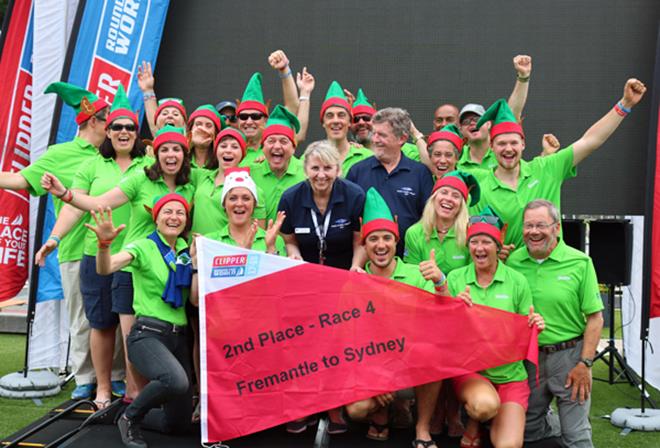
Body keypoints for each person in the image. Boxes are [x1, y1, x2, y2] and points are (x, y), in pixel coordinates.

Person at [35, 85, 152, 406]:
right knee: (99, 323)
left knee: (132, 328)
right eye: (117, 126)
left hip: (136, 259)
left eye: (130, 126)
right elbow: (76, 206)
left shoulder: (149, 164)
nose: (124, 131)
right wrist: (53, 239)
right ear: (107, 131)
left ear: (136, 132)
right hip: (95, 254)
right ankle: (100, 387)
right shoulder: (91, 167)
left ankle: (130, 387)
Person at [0, 82, 115, 400]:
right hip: (76, 250)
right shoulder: (60, 154)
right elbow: (21, 179)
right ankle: (85, 379)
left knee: (114, 317)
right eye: (108, 120)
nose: (115, 126)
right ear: (93, 120)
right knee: (82, 318)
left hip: (113, 249)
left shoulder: (114, 153)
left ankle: (116, 377)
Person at [475, 78, 647, 249]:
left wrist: (625, 104)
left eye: (513, 143)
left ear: (523, 144)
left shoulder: (546, 168)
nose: (508, 149)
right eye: (502, 144)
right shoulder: (481, 189)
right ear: (492, 147)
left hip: (552, 269)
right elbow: (478, 239)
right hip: (510, 272)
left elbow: (589, 141)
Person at [87, 194, 196, 448]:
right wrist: (104, 245)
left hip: (178, 336)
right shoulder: (142, 246)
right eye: (167, 212)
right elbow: (106, 268)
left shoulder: (184, 249)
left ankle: (122, 415)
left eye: (180, 213)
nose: (174, 217)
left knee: (178, 424)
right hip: (147, 334)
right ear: (156, 218)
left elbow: (193, 296)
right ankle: (129, 417)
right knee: (176, 380)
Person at [344, 188, 442, 448]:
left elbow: (435, 323)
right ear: (364, 244)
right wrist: (375, 377)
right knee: (355, 410)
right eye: (373, 238)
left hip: (412, 366)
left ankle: (422, 428)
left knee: (433, 354)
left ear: (396, 241)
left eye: (387, 237)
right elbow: (349, 341)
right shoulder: (353, 284)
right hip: (372, 368)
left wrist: (441, 283)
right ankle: (381, 416)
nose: (380, 245)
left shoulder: (417, 276)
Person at [507, 200, 604, 447]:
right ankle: (554, 423)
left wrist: (585, 363)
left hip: (569, 357)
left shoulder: (580, 263)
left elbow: (595, 318)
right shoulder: (512, 263)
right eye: (528, 226)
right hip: (529, 359)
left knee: (576, 436)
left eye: (541, 225)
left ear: (557, 228)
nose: (534, 231)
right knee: (526, 431)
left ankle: (566, 424)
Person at [447, 208, 545, 448]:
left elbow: (526, 322)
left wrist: (535, 325)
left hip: (511, 376)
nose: (479, 248)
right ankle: (475, 419)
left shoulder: (517, 280)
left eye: (486, 242)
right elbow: (444, 331)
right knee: (484, 406)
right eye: (474, 242)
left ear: (498, 246)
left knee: (508, 445)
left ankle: (479, 425)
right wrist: (454, 311)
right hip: (472, 372)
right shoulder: (455, 278)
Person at [403, 170, 479, 437]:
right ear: (433, 198)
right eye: (444, 193)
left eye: (456, 195)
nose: (449, 199)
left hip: (460, 308)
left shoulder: (469, 233)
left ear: (463, 204)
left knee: (455, 359)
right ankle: (434, 413)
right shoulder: (415, 233)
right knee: (432, 359)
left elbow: (474, 273)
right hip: (425, 310)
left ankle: (452, 413)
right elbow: (411, 277)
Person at [346, 107, 434, 257]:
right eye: (374, 134)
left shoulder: (420, 173)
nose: (375, 140)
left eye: (382, 135)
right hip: (366, 264)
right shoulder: (357, 171)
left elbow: (428, 220)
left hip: (409, 262)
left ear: (402, 139)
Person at [279, 140, 366, 270]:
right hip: (305, 272)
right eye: (315, 168)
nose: (321, 175)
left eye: (327, 168)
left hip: (344, 273)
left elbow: (359, 242)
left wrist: (356, 266)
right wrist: (294, 255)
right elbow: (289, 240)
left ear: (338, 170)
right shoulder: (290, 199)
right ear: (305, 170)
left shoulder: (355, 196)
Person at [191, 127, 267, 236]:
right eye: (223, 146)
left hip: (225, 250)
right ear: (216, 151)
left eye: (235, 147)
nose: (228, 150)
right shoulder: (201, 176)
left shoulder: (252, 190)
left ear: (242, 154)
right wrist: (193, 143)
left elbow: (258, 235)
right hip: (196, 248)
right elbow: (178, 164)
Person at [238, 50, 300, 166]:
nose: (249, 121)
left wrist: (284, 70)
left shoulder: (275, 147)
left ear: (266, 120)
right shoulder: (231, 149)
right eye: (243, 116)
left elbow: (292, 105)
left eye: (255, 116)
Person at [206, 168, 285, 255]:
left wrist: (270, 248)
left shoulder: (275, 241)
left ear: (254, 204)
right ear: (224, 204)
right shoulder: (210, 241)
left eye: (246, 198)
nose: (239, 204)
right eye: (233, 198)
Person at [250, 105, 306, 222]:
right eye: (271, 141)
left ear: (293, 148)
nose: (277, 146)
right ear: (263, 147)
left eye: (283, 141)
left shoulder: (306, 174)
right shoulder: (250, 174)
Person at [347, 87, 427, 163]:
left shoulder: (405, 149)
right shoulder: (351, 154)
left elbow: (431, 168)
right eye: (356, 119)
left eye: (366, 118)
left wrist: (415, 133)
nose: (361, 122)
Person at [319, 82, 371, 174]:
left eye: (341, 115)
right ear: (323, 122)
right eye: (330, 115)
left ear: (349, 122)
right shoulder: (309, 159)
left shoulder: (368, 158)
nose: (335, 120)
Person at [137, 61, 187, 135]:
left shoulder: (191, 146)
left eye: (176, 114)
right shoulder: (154, 145)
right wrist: (148, 90)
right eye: (164, 114)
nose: (170, 116)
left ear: (184, 124)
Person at [187, 104, 225, 170]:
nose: (203, 129)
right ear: (191, 128)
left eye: (208, 126)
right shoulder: (181, 158)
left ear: (215, 133)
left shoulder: (223, 161)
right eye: (198, 124)